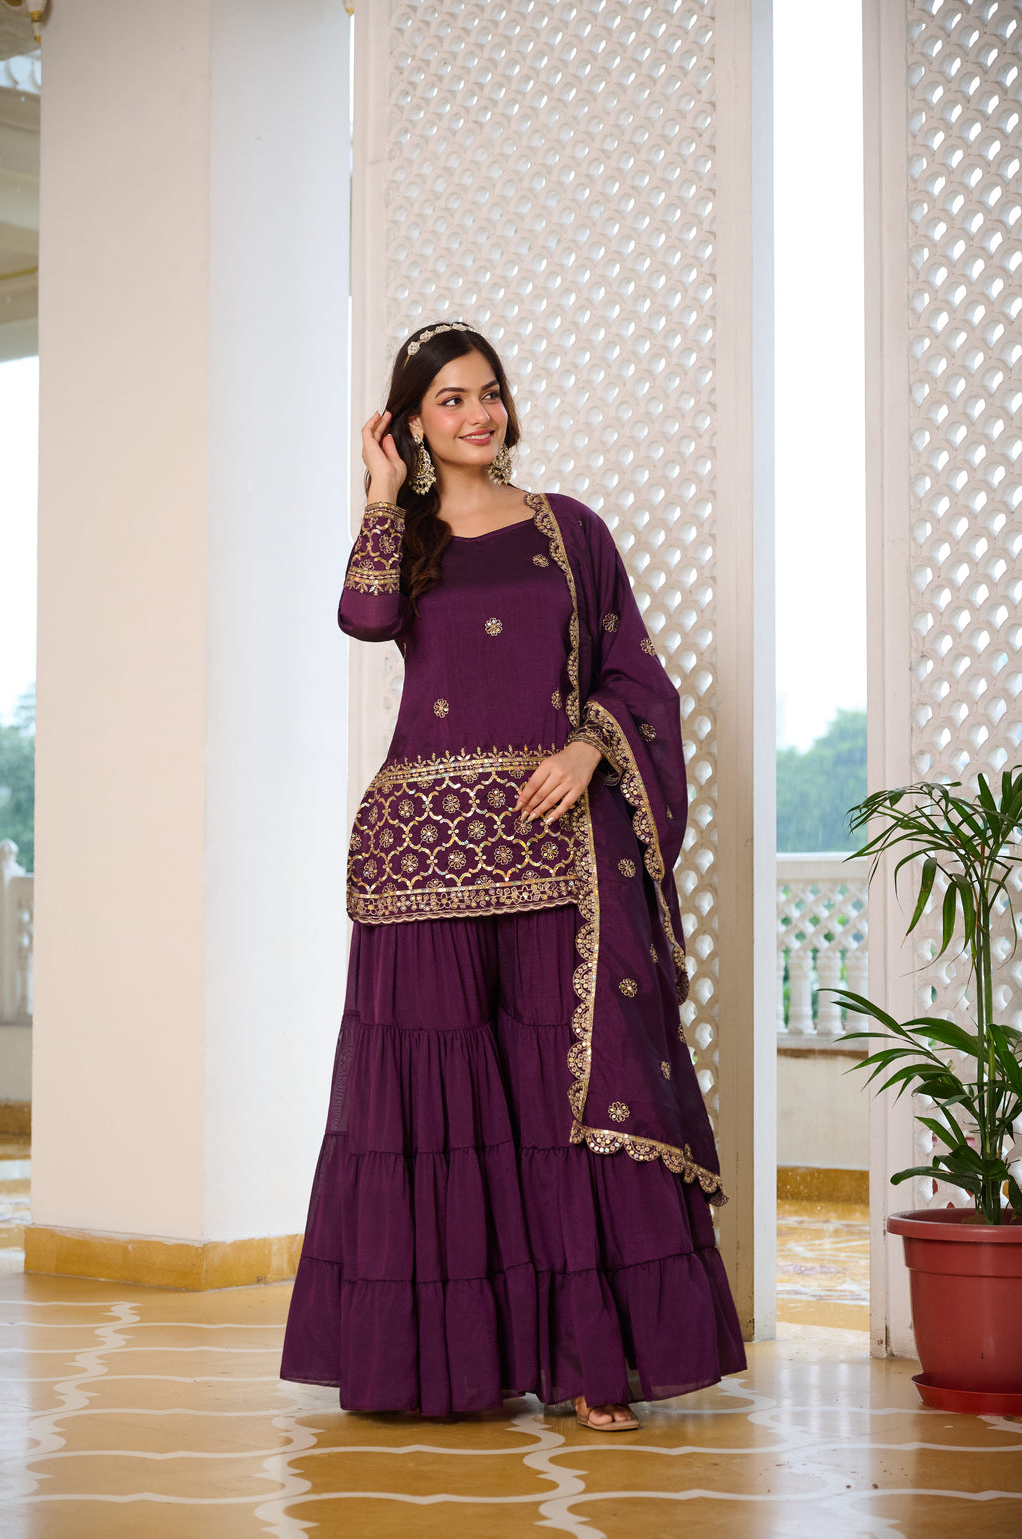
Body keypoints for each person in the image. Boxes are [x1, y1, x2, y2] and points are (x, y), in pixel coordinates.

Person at [280, 320, 745, 1430]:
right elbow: (365, 618)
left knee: (561, 1099)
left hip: (555, 850)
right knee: (437, 1112)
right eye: (448, 400)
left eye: (487, 392)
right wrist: (384, 493)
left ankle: (591, 1366)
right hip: (423, 860)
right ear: (410, 422)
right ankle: (441, 1367)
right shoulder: (406, 537)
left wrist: (589, 744)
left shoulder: (567, 531)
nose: (477, 413)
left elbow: (635, 675)